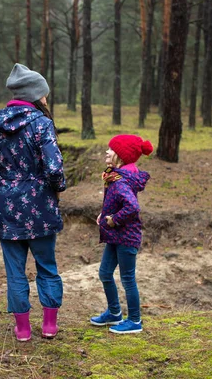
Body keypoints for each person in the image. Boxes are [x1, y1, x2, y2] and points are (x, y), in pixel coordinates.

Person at [0, 63, 67, 342]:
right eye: (44, 94)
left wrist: (9, 188)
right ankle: (49, 326)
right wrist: (57, 189)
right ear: (34, 94)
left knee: (15, 270)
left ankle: (22, 329)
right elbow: (54, 169)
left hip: (7, 207)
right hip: (41, 204)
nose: (46, 98)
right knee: (46, 266)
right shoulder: (42, 124)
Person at [90, 135, 152, 334]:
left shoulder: (121, 181)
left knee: (127, 278)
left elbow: (132, 207)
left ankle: (134, 321)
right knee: (105, 273)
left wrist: (114, 219)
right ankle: (115, 313)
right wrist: (105, 213)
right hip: (116, 237)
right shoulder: (116, 176)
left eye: (111, 149)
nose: (107, 152)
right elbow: (117, 200)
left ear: (121, 156)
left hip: (126, 237)